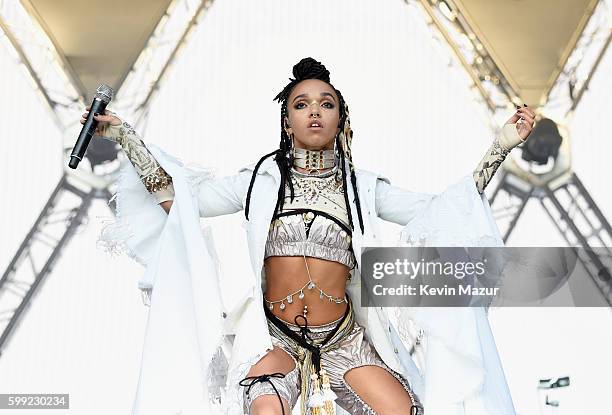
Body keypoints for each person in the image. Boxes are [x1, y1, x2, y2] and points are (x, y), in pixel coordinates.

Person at [90, 57, 535, 415]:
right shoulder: (257, 181)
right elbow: (177, 201)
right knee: (265, 407)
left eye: (326, 104)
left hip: (345, 338)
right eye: (301, 105)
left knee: (400, 410)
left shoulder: (363, 186)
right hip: (276, 336)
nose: (314, 112)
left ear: (341, 119)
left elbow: (442, 210)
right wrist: (125, 136)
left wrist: (501, 145)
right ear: (287, 122)